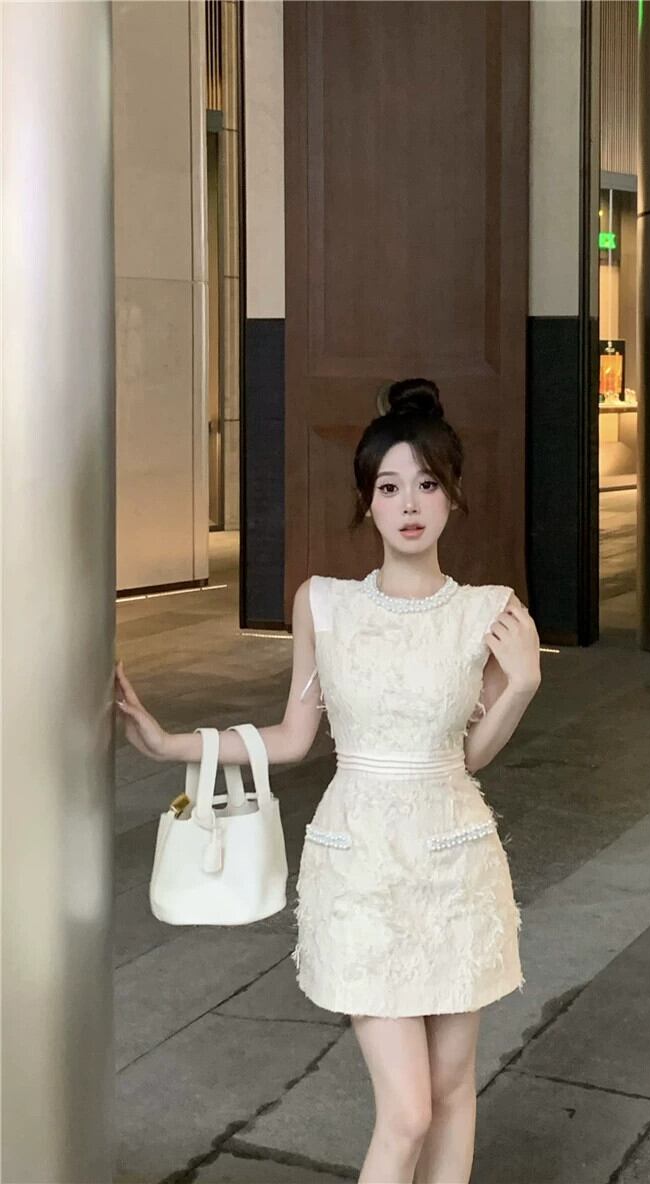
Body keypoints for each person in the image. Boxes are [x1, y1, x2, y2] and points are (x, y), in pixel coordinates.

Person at [115, 376, 542, 1183]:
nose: (409, 504)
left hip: (456, 867)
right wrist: (175, 746)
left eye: (427, 484)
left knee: (453, 1091)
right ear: (366, 503)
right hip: (360, 871)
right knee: (408, 1112)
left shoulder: (487, 611)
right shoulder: (325, 605)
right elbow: (293, 735)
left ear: (453, 497)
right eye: (389, 487)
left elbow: (467, 757)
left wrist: (519, 686)